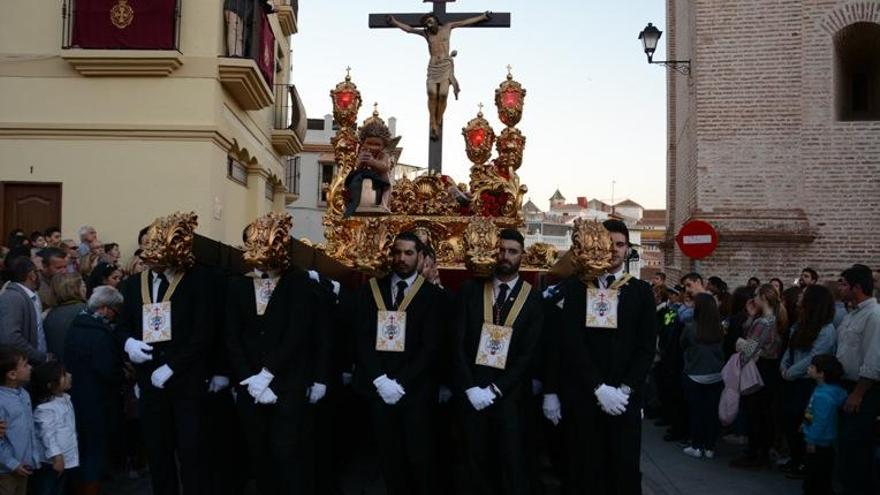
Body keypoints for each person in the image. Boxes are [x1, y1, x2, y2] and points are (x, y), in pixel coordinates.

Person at [544, 219, 657, 494]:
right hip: (584, 396)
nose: (615, 250)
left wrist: (626, 389)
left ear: (628, 249)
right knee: (584, 471)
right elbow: (571, 344)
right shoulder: (576, 288)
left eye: (620, 244)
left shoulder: (641, 292)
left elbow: (645, 348)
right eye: (610, 244)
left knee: (623, 470)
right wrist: (598, 387)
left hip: (623, 399)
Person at [225, 213, 328, 494]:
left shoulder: (298, 281)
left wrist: (268, 373)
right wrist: (249, 378)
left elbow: (299, 333)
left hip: (288, 382)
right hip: (251, 386)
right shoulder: (237, 284)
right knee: (259, 456)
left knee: (289, 455)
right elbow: (232, 337)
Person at [116, 212, 211, 495]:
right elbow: (121, 326)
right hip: (149, 382)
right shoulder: (134, 284)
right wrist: (128, 344)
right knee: (158, 453)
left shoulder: (197, 281)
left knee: (191, 452)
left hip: (185, 383)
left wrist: (173, 366)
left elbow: (202, 333)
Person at [453, 228, 543, 495]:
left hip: (509, 397)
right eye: (501, 250)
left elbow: (528, 354)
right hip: (472, 393)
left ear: (522, 256)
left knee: (510, 466)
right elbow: (456, 343)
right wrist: (470, 387)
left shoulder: (533, 298)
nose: (505, 256)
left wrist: (496, 389)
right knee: (473, 465)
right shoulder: (470, 290)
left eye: (512, 251)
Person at [354, 231, 444, 495]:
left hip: (414, 391)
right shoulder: (370, 290)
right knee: (387, 458)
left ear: (420, 257)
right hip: (379, 389)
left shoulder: (433, 297)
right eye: (397, 252)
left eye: (408, 253)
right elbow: (360, 339)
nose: (402, 258)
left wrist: (401, 382)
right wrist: (381, 381)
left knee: (419, 458)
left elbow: (431, 348)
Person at [386, 11, 492, 139]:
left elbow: (464, 22)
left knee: (442, 95)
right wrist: (394, 22)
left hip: (445, 66)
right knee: (432, 93)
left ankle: (438, 119)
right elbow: (409, 29)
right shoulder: (426, 34)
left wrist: (483, 17)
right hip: (433, 67)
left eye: (430, 21)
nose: (429, 25)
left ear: (436, 21)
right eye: (427, 24)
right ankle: (433, 122)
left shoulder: (447, 27)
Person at [63, 286, 124, 495]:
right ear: (105, 309)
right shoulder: (100, 334)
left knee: (83, 445)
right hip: (97, 398)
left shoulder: (76, 326)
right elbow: (106, 369)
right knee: (94, 448)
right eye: (115, 311)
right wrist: (122, 376)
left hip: (77, 395)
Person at [779, 284, 836, 478]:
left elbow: (813, 357)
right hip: (791, 378)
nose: (799, 298)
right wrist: (784, 366)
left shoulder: (826, 330)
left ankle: (803, 463)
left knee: (803, 423)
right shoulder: (800, 324)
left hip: (805, 382)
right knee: (789, 422)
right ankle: (795, 460)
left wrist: (790, 372)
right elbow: (790, 348)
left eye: (803, 295)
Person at [731, 283, 788, 469]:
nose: (753, 298)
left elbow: (747, 350)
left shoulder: (763, 322)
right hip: (770, 371)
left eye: (756, 295)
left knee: (755, 413)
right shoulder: (775, 319)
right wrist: (750, 315)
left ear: (763, 297)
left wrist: (739, 343)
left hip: (759, 369)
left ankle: (755, 454)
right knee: (764, 414)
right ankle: (761, 451)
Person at [834, 264, 879, 495]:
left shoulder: (874, 315)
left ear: (857, 287)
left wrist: (858, 393)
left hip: (862, 390)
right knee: (847, 447)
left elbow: (873, 358)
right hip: (845, 385)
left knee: (857, 446)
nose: (839, 288)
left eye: (843, 284)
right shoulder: (852, 314)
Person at [680, 293, 725, 459]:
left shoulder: (691, 327)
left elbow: (682, 344)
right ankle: (710, 446)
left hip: (695, 373)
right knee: (711, 412)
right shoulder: (719, 328)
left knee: (697, 411)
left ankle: (696, 445)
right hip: (716, 373)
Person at [801, 354, 847, 495]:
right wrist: (804, 424)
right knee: (822, 477)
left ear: (821, 374)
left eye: (812, 367)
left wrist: (811, 439)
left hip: (818, 442)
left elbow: (820, 421)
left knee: (814, 480)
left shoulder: (823, 396)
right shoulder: (830, 391)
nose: (808, 368)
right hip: (824, 441)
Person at [30, 361, 78, 495]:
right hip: (51, 463)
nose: (69, 375)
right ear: (51, 385)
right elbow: (47, 435)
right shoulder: (44, 409)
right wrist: (57, 456)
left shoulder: (65, 399)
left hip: (64, 459)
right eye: (63, 375)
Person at [0, 345, 39, 494]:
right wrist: (12, 464)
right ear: (12, 374)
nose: (30, 368)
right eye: (25, 365)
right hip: (6, 471)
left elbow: (29, 429)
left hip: (23, 467)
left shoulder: (24, 394)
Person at [343, 111, 396, 218]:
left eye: (377, 144)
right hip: (365, 176)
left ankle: (384, 203)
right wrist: (360, 162)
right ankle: (353, 202)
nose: (373, 147)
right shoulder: (362, 152)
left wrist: (372, 162)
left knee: (388, 186)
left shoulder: (383, 155)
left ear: (383, 146)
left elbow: (385, 167)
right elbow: (357, 166)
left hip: (380, 178)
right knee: (354, 182)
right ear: (363, 142)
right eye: (370, 143)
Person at [0, 257, 49, 363]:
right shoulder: (13, 297)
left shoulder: (29, 296)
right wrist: (38, 356)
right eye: (38, 272)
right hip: (25, 366)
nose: (40, 275)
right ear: (32, 275)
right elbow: (10, 338)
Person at [42, 274, 87, 362]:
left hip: (58, 368)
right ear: (75, 290)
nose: (85, 289)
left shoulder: (50, 315)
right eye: (83, 286)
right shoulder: (85, 311)